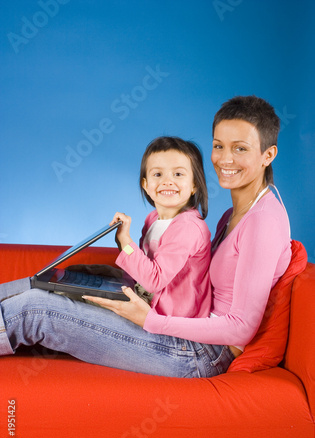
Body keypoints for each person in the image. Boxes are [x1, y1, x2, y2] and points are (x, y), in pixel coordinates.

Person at [0, 96, 291, 378]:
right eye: (218, 146)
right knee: (52, 282)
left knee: (36, 310)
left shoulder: (264, 221)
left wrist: (151, 320)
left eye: (240, 148)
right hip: (180, 330)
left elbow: (240, 328)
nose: (225, 159)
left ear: (268, 155)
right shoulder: (232, 216)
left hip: (198, 354)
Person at [107, 136, 211, 318]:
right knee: (81, 274)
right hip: (145, 297)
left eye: (178, 174)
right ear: (145, 185)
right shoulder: (153, 219)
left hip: (169, 320)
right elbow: (140, 266)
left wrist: (125, 240)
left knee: (75, 298)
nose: (167, 181)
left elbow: (153, 280)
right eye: (158, 174)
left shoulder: (188, 227)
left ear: (194, 185)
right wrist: (121, 240)